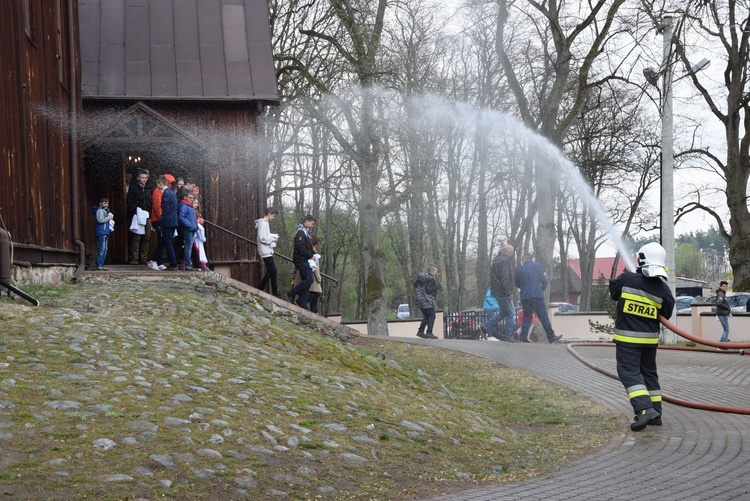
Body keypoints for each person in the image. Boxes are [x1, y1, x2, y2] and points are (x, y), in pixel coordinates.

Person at [610, 242, 675, 431]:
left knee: (629, 373)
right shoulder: (663, 289)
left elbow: (613, 292)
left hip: (628, 340)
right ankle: (656, 413)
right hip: (649, 341)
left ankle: (645, 410)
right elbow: (667, 313)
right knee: (649, 374)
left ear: (641, 259)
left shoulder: (627, 279)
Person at [515, 254, 563, 343]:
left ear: (523, 259)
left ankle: (523, 337)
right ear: (530, 259)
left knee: (527, 316)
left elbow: (517, 283)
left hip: (525, 296)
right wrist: (541, 289)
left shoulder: (519, 269)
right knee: (543, 316)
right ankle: (551, 336)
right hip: (537, 295)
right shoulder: (538, 267)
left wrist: (524, 287)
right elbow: (544, 280)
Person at [480, 245, 517, 342]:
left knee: (504, 312)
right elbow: (504, 277)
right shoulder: (504, 260)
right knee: (510, 313)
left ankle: (485, 326)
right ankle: (509, 336)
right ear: (506, 252)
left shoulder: (497, 259)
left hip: (497, 291)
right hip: (503, 292)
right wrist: (508, 292)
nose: (512, 254)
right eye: (511, 252)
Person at [286, 214, 316, 308]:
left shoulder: (306, 232)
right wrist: (310, 255)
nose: (312, 225)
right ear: (306, 221)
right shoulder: (301, 232)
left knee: (306, 281)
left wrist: (313, 253)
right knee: (309, 279)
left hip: (304, 259)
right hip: (300, 259)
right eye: (311, 223)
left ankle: (302, 302)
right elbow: (301, 247)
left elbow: (308, 246)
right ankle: (291, 293)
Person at [147, 173, 175, 271]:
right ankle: (156, 261)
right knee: (162, 241)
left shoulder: (165, 192)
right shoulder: (157, 191)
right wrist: (161, 218)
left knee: (162, 241)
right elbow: (157, 206)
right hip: (159, 219)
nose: (170, 185)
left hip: (162, 219)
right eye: (169, 183)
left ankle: (158, 262)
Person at [126, 169, 151, 265]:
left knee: (147, 237)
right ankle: (135, 258)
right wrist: (136, 209)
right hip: (137, 214)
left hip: (148, 215)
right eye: (142, 178)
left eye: (145, 178)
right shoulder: (133, 188)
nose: (144, 180)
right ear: (138, 178)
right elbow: (129, 202)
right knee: (137, 237)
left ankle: (143, 258)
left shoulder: (149, 188)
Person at [255, 208, 280, 296]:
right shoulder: (263, 224)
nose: (274, 218)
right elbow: (263, 237)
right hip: (265, 251)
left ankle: (275, 292)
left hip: (267, 250)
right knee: (272, 270)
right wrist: (273, 239)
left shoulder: (265, 224)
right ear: (269, 214)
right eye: (273, 216)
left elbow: (264, 236)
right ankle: (260, 287)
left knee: (273, 271)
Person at [157, 176, 179, 271]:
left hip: (167, 222)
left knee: (168, 243)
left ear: (160, 183)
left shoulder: (166, 193)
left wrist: (161, 222)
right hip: (173, 220)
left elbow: (165, 210)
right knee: (169, 242)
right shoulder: (172, 192)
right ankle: (174, 262)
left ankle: (173, 263)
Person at [414, 264, 441, 339]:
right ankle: (429, 332)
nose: (436, 273)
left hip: (420, 300)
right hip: (427, 300)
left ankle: (420, 331)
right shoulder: (430, 279)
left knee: (427, 316)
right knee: (432, 315)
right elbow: (429, 290)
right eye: (435, 272)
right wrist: (438, 286)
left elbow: (415, 285)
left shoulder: (420, 277)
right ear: (431, 271)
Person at [177, 189, 199, 271]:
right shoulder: (184, 206)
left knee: (189, 246)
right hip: (189, 229)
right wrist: (189, 225)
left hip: (191, 228)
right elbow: (181, 217)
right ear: (185, 197)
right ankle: (187, 264)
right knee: (188, 247)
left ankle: (187, 264)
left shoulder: (188, 206)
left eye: (192, 197)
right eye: (190, 197)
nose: (192, 199)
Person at [92, 197, 114, 271]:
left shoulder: (106, 211)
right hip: (101, 231)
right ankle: (99, 265)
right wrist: (108, 218)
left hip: (105, 232)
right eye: (104, 203)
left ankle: (101, 264)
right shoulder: (100, 210)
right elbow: (100, 220)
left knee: (105, 250)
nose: (106, 204)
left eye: (107, 203)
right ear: (100, 203)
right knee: (101, 249)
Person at [307, 235, 323, 313]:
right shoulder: (313, 254)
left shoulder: (305, 251)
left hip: (307, 276)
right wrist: (319, 278)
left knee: (313, 294)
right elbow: (316, 268)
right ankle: (300, 302)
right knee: (315, 293)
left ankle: (314, 312)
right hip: (313, 278)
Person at [715, 280, 731, 345]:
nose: (725, 287)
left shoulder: (722, 293)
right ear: (720, 286)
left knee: (726, 329)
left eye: (726, 286)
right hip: (722, 313)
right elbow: (718, 303)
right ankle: (723, 345)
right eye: (724, 286)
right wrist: (727, 307)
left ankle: (721, 344)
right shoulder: (721, 294)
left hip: (723, 313)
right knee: (726, 329)